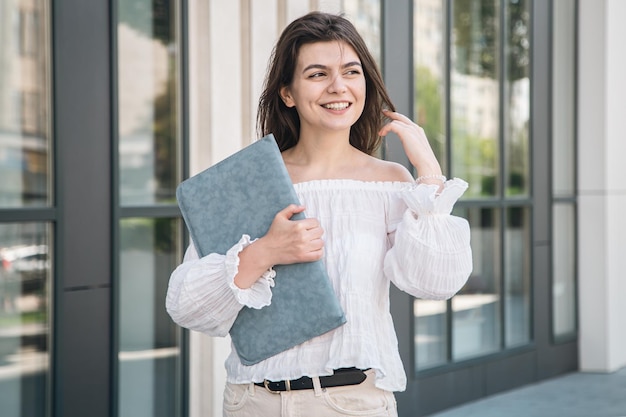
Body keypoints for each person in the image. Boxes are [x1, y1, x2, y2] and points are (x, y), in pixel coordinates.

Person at [166, 11, 472, 417]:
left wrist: (429, 175)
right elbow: (186, 304)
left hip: (351, 403)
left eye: (351, 71)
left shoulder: (390, 182)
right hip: (251, 402)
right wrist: (265, 252)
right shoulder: (249, 181)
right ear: (287, 93)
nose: (338, 86)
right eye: (317, 74)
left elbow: (436, 282)